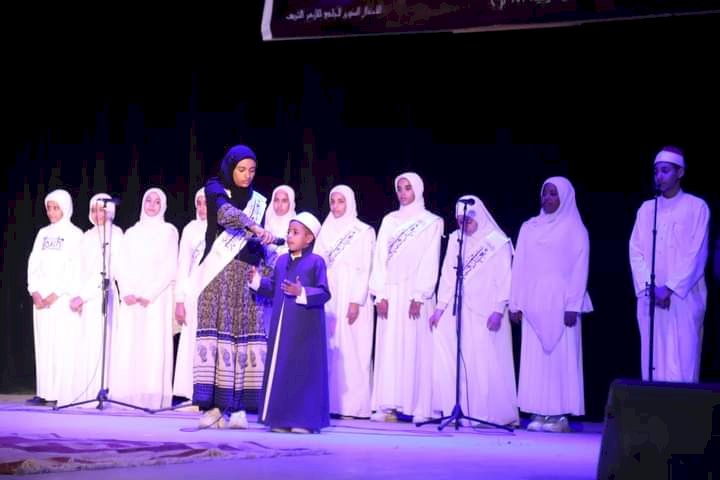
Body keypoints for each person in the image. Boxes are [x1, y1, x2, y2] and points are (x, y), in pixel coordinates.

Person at [193, 144, 273, 429]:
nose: (247, 175)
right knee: (216, 337)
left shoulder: (259, 201)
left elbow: (258, 244)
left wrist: (263, 270)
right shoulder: (215, 187)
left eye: (252, 170)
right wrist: (255, 227)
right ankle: (213, 407)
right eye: (241, 170)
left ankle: (238, 408)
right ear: (230, 168)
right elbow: (225, 214)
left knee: (242, 338)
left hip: (245, 275)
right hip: (216, 275)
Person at [510, 176, 592, 433]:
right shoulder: (529, 227)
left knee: (560, 359)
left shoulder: (575, 228)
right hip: (533, 301)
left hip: (562, 302)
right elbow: (519, 266)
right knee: (535, 361)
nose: (547, 198)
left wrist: (573, 305)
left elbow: (580, 268)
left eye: (553, 193)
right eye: (545, 193)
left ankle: (558, 416)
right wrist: (515, 303)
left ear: (565, 197)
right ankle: (537, 412)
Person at [429, 195, 518, 426]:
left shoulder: (497, 242)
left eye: (467, 221)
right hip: (460, 309)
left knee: (484, 362)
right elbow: (448, 275)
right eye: (460, 221)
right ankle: (459, 409)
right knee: (456, 357)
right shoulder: (456, 239)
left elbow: (504, 278)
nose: (463, 226)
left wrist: (498, 310)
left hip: (487, 311)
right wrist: (440, 308)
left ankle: (486, 413)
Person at [629, 146, 710, 383]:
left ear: (680, 172)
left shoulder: (697, 207)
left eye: (665, 171)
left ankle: (682, 408)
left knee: (683, 359)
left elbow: (697, 253)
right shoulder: (647, 209)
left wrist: (670, 287)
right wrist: (652, 287)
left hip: (684, 298)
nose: (659, 177)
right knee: (653, 358)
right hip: (651, 296)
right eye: (656, 172)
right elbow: (635, 251)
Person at [369, 172, 443, 423]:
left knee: (416, 347)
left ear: (418, 190)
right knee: (389, 348)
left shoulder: (431, 222)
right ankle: (388, 405)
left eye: (407, 188)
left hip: (416, 293)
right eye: (399, 188)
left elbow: (430, 258)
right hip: (391, 291)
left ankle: (419, 407)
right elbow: (380, 257)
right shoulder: (389, 220)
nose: (402, 193)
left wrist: (420, 294)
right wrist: (380, 294)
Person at [251, 211, 331, 433]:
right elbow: (272, 288)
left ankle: (304, 421)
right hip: (282, 330)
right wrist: (256, 281)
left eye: (295, 232)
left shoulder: (316, 262)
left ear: (309, 238)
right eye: (289, 232)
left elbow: (324, 293)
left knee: (303, 373)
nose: (289, 236)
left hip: (305, 331)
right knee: (283, 370)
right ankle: (281, 419)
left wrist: (301, 291)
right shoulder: (281, 261)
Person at [112, 188, 178, 409]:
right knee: (130, 346)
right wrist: (127, 291)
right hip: (131, 299)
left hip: (156, 300)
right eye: (148, 200)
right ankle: (127, 396)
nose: (151, 205)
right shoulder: (131, 232)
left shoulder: (169, 231)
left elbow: (170, 267)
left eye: (157, 202)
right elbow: (120, 264)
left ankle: (151, 397)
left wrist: (149, 294)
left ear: (163, 206)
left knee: (153, 347)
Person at [314, 185, 376, 419]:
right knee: (331, 349)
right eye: (333, 201)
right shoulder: (325, 229)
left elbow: (365, 267)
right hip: (330, 294)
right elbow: (318, 263)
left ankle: (354, 407)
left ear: (349, 203)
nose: (336, 206)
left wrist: (356, 300)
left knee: (354, 350)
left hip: (352, 295)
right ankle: (330, 404)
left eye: (341, 201)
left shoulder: (363, 231)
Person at [26, 189, 84, 406]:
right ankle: (44, 392)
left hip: (61, 299)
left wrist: (55, 294)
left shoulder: (75, 234)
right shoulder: (42, 233)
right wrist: (34, 291)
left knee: (61, 345)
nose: (51, 212)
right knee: (44, 346)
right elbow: (33, 262)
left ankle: (61, 393)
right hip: (41, 300)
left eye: (56, 208)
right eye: (49, 208)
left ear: (65, 208)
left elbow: (74, 268)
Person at [68, 193, 125, 406]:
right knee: (88, 345)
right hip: (85, 301)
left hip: (103, 297)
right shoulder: (86, 237)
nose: (97, 214)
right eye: (93, 210)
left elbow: (111, 270)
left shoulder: (116, 234)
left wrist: (85, 295)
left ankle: (105, 391)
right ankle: (87, 392)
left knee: (105, 344)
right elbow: (78, 270)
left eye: (101, 209)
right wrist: (77, 295)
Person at [172, 188, 207, 403]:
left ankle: (208, 395)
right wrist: (179, 300)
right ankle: (189, 392)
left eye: (207, 203)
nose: (202, 208)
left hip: (213, 294)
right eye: (199, 203)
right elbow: (183, 265)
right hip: (192, 294)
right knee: (190, 342)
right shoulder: (191, 229)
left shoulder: (224, 230)